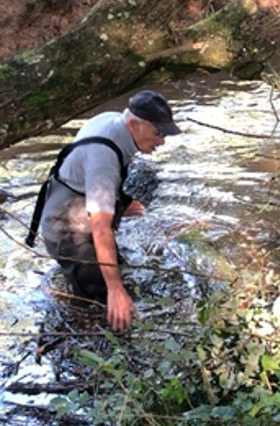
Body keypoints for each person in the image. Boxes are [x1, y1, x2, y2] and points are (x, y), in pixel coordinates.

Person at [36, 91, 180, 331]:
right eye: (158, 133)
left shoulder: (113, 121)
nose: (162, 141)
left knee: (122, 277)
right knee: (106, 306)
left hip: (69, 206)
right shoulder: (103, 156)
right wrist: (115, 290)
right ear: (135, 124)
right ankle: (90, 331)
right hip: (64, 229)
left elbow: (89, 177)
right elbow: (100, 227)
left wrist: (120, 205)